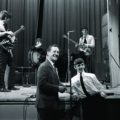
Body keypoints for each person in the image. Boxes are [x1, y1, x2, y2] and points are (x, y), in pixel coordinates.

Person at [35, 44, 67, 120]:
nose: (56, 54)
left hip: (51, 106)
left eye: (58, 52)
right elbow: (42, 85)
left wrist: (67, 89)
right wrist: (58, 88)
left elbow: (56, 82)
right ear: (48, 53)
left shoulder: (52, 66)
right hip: (45, 106)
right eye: (54, 51)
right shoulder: (44, 66)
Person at [0, 10, 19, 92]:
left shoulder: (5, 25)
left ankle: (11, 85)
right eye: (8, 19)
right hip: (1, 50)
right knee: (1, 69)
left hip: (7, 50)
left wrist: (13, 39)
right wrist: (7, 32)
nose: (9, 21)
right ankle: (1, 87)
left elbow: (7, 40)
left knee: (12, 66)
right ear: (6, 17)